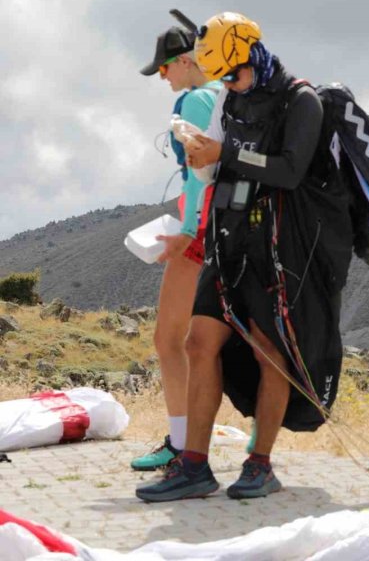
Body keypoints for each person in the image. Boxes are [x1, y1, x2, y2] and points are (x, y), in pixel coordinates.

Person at [136, 11, 353, 503]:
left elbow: (290, 170)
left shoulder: (301, 100)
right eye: (224, 78)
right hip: (228, 240)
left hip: (278, 245)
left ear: (251, 55)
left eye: (234, 74)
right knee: (198, 343)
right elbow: (214, 167)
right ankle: (193, 465)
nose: (230, 85)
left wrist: (223, 154)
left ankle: (260, 462)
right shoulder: (229, 99)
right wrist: (198, 156)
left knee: (268, 351)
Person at [132, 27, 221, 471]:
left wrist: (187, 230)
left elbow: (197, 172)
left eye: (165, 67)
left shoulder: (193, 101)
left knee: (170, 340)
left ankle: (183, 446)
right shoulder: (227, 94)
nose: (163, 76)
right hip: (226, 228)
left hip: (197, 231)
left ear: (186, 60)